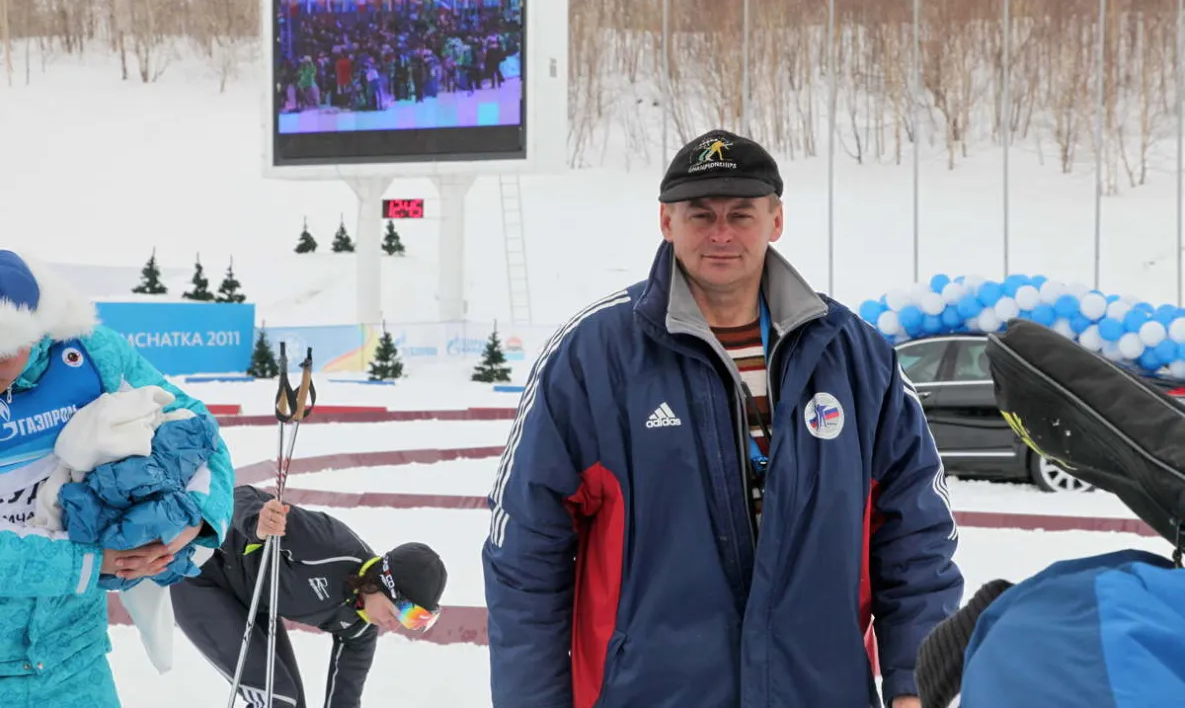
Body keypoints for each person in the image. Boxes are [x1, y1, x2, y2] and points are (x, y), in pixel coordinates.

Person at [481, 130, 964, 708]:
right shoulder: (593, 357)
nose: (721, 233)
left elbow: (916, 532)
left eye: (741, 213)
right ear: (665, 221)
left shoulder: (855, 355)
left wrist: (915, 681)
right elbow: (524, 549)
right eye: (700, 214)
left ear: (776, 220)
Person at [0, 249, 236, 707]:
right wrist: (92, 561)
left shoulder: (92, 357)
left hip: (75, 662)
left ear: (34, 330)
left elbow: (195, 428)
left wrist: (198, 520)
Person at [171, 484, 448, 708]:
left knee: (291, 704)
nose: (395, 624)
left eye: (414, 620)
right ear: (383, 583)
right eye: (402, 612)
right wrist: (258, 522)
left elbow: (344, 699)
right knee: (277, 698)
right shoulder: (331, 546)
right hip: (202, 576)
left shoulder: (360, 629)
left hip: (252, 604)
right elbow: (241, 495)